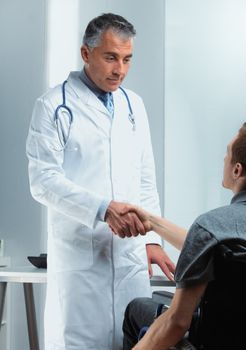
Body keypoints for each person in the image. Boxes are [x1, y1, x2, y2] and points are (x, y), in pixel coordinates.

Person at [26, 13, 175, 350]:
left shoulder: (133, 105)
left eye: (126, 59)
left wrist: (152, 240)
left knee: (135, 339)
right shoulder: (53, 106)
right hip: (81, 256)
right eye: (110, 57)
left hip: (129, 255)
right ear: (85, 53)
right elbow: (43, 181)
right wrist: (103, 209)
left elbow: (145, 178)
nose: (119, 69)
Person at [121, 122, 246, 350]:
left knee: (137, 309)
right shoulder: (217, 231)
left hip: (214, 341)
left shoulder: (214, 226)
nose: (223, 159)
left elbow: (177, 324)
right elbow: (208, 245)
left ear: (237, 170)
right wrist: (153, 223)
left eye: (227, 153)